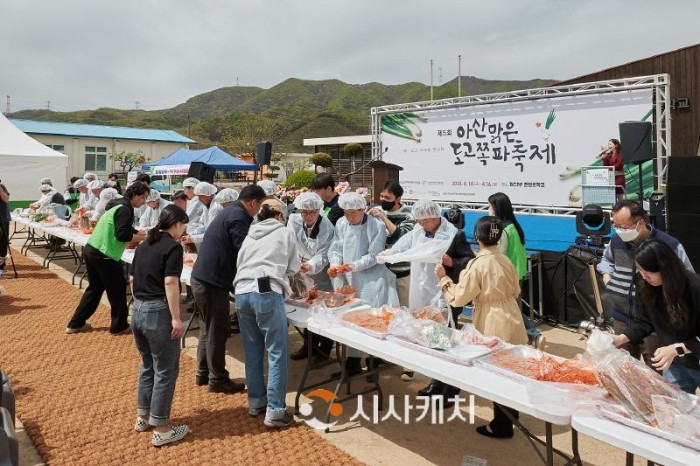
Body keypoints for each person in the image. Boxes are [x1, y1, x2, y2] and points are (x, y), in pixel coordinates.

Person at [437, 216, 527, 438]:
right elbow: (516, 290)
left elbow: (458, 298)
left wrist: (443, 280)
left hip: (491, 320)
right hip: (512, 316)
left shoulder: (477, 264)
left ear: (477, 237)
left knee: (496, 373)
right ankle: (509, 417)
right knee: (511, 370)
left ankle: (502, 424)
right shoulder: (504, 259)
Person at [381, 200, 475, 395]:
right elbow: (402, 246)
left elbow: (469, 262)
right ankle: (435, 380)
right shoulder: (418, 231)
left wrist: (451, 261)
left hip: (443, 294)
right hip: (421, 291)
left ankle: (450, 386)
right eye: (420, 221)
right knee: (427, 337)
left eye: (426, 221)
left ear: (436, 217)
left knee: (444, 339)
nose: (422, 224)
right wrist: (389, 254)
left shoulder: (453, 235)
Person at [598, 200, 694, 367]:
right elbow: (606, 260)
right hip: (623, 317)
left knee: (656, 371)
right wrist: (608, 279)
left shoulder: (669, 245)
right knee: (623, 370)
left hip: (657, 322)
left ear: (640, 223)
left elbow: (686, 280)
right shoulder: (616, 240)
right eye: (616, 225)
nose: (620, 231)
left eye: (624, 227)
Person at [190, 185, 267, 393]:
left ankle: (203, 373)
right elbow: (244, 251)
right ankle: (217, 379)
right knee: (217, 331)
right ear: (253, 203)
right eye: (260, 206)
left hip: (204, 277)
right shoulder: (239, 217)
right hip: (213, 282)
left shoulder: (231, 211)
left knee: (208, 328)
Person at [234, 199, 301, 428]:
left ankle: (256, 402)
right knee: (276, 352)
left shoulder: (251, 233)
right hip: (266, 291)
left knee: (252, 350)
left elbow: (240, 261)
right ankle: (275, 410)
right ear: (279, 215)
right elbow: (293, 267)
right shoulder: (284, 232)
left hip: (241, 292)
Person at [129, 205, 189, 446]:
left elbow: (132, 278)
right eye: (183, 225)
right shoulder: (173, 247)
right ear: (175, 224)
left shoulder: (144, 245)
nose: (184, 230)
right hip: (158, 311)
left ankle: (143, 416)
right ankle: (162, 428)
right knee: (165, 370)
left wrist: (139, 303)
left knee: (147, 366)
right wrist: (176, 317)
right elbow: (171, 282)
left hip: (139, 309)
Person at [612, 239, 700, 393]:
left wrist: (677, 349)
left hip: (687, 355)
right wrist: (621, 338)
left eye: (649, 271)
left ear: (665, 268)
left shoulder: (694, 287)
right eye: (640, 269)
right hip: (673, 362)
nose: (644, 276)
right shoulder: (643, 282)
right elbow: (644, 320)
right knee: (672, 407)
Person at [328, 192, 398, 376]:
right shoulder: (342, 224)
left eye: (353, 212)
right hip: (348, 277)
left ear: (362, 209)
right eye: (346, 212)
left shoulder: (376, 225)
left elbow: (374, 255)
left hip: (371, 280)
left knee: (370, 320)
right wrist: (336, 264)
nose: (349, 216)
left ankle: (374, 362)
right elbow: (335, 247)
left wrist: (353, 265)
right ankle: (352, 364)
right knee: (351, 319)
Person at [65, 182, 150, 335]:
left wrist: (142, 234)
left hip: (93, 249)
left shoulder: (119, 206)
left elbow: (126, 228)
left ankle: (75, 323)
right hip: (105, 254)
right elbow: (122, 234)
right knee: (116, 290)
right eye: (143, 197)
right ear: (135, 195)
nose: (144, 201)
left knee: (95, 288)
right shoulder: (125, 209)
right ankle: (119, 325)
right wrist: (144, 238)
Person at [488, 192, 545, 350]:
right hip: (516, 272)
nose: (488, 209)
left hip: (506, 274)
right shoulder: (513, 226)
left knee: (510, 308)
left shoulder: (503, 229)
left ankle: (533, 335)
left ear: (496, 208)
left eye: (490, 206)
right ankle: (530, 336)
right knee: (513, 307)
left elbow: (499, 254)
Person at [288, 192, 336, 366]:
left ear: (319, 211)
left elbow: (324, 253)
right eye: (304, 212)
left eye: (312, 212)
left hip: (320, 273)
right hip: (300, 270)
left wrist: (310, 265)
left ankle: (324, 352)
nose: (308, 216)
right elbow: (291, 242)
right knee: (306, 311)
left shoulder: (327, 227)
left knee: (323, 311)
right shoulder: (293, 221)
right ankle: (308, 346)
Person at [181, 182, 217, 250]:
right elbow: (203, 225)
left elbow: (212, 232)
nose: (199, 200)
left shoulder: (216, 208)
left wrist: (193, 238)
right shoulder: (207, 206)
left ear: (208, 194)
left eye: (200, 197)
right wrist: (191, 235)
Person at [0, 179, 9, 279]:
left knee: (2, 244)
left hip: (2, 220)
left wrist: (0, 189)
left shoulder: (2, 187)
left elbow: (6, 199)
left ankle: (1, 268)